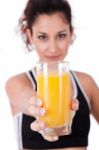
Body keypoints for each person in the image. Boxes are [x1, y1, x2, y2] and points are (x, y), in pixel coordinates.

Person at [5, 0, 99, 150]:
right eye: (43, 37)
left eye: (61, 35)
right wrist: (37, 109)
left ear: (71, 33)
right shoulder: (17, 83)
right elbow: (25, 99)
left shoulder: (86, 83)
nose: (53, 48)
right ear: (30, 35)